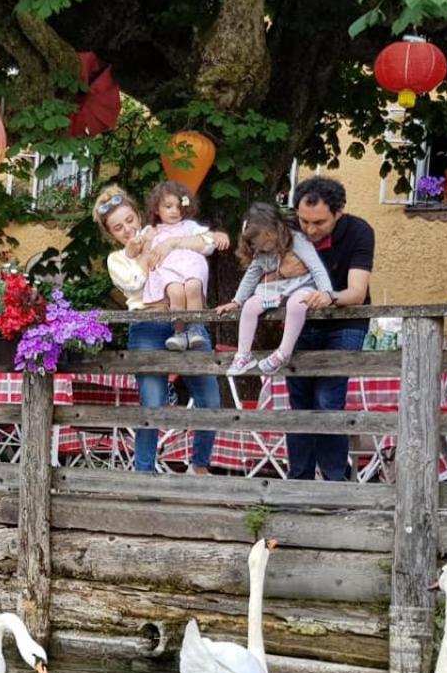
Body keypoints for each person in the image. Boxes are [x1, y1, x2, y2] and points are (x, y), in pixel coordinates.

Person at [97, 184, 227, 474]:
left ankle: (200, 467)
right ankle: (145, 472)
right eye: (118, 228)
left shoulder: (166, 231)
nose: (128, 230)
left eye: (130, 220)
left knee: (210, 399)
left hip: (188, 318)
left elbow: (204, 242)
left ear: (140, 216)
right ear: (111, 234)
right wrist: (141, 254)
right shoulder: (117, 259)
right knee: (153, 401)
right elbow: (133, 284)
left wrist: (168, 244)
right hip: (147, 326)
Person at [288, 175, 375, 481]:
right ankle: (298, 483)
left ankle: (335, 482)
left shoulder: (359, 231)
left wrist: (328, 297)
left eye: (319, 223)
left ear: (339, 213)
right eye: (304, 221)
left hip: (345, 322)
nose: (310, 230)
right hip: (299, 322)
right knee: (299, 403)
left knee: (327, 400)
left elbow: (357, 293)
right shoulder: (289, 231)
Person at [216, 202, 331, 377]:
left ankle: (284, 352)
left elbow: (316, 268)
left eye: (267, 242)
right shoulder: (259, 252)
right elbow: (251, 276)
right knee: (251, 305)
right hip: (275, 291)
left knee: (297, 303)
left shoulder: (296, 241)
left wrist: (326, 292)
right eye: (258, 245)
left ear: (276, 230)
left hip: (302, 286)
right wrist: (237, 301)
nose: (264, 248)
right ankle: (243, 355)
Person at [137, 181, 218, 351]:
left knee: (193, 287)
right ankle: (179, 332)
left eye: (179, 206)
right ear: (157, 209)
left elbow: (209, 241)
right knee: (175, 292)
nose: (175, 211)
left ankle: (195, 327)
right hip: (169, 269)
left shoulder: (190, 226)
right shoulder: (152, 230)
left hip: (191, 266)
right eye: (168, 206)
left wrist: (216, 236)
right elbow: (139, 249)